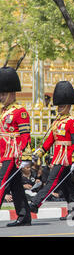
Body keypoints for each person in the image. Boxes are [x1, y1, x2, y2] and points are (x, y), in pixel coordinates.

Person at [30, 81, 74, 221]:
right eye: (59, 105)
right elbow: (49, 141)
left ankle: (35, 203)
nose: (59, 108)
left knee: (52, 181)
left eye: (62, 106)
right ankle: (73, 213)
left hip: (66, 158)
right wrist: (39, 152)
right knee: (66, 186)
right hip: (58, 156)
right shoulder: (56, 122)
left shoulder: (73, 122)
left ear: (69, 106)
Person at [0, 66, 33, 227]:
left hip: (13, 153)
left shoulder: (20, 111)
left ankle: (23, 215)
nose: (1, 96)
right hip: (3, 153)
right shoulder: (3, 111)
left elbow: (26, 136)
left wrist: (25, 156)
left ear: (12, 93)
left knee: (2, 182)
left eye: (4, 93)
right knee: (15, 186)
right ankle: (24, 215)